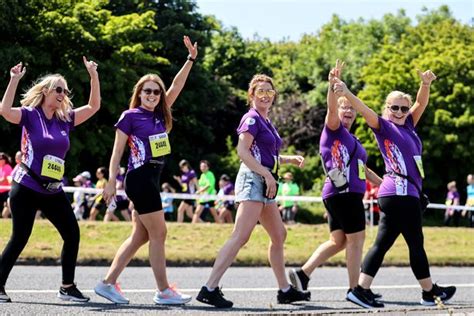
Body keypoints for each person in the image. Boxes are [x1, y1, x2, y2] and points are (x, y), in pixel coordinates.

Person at [332, 68, 456, 307]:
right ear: (386, 109)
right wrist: (346, 91)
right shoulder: (384, 127)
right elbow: (364, 110)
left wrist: (426, 83)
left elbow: (420, 102)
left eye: (402, 108)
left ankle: (362, 289)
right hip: (398, 193)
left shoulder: (408, 125)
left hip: (402, 194)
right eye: (394, 107)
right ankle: (428, 292)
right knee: (414, 242)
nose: (399, 112)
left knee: (384, 244)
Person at [94, 35, 197, 305]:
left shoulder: (160, 115)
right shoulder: (130, 117)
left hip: (152, 178)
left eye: (155, 91)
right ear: (139, 93)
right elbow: (117, 152)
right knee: (160, 233)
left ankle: (107, 283)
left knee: (141, 235)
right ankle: (164, 291)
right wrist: (110, 183)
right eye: (147, 91)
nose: (152, 95)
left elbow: (176, 86)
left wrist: (190, 59)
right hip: (139, 179)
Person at [196, 74, 310, 308]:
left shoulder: (267, 121)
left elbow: (266, 155)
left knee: (279, 235)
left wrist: (288, 160)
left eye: (270, 91)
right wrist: (267, 174)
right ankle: (209, 288)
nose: (266, 95)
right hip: (253, 180)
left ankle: (284, 290)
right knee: (241, 235)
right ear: (252, 95)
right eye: (261, 91)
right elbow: (242, 151)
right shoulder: (251, 118)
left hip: (265, 182)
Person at [0, 57, 100, 303]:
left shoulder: (65, 119)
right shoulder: (30, 115)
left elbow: (94, 106)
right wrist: (14, 80)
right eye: (58, 89)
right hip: (26, 186)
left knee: (72, 233)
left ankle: (67, 287)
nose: (62, 93)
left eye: (65, 91)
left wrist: (93, 76)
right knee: (20, 237)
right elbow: (4, 111)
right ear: (45, 91)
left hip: (52, 190)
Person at [288, 61, 382, 307]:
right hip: (344, 193)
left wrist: (382, 183)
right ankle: (355, 290)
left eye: (352, 108)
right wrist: (333, 86)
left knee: (338, 241)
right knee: (357, 240)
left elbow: (362, 169)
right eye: (344, 107)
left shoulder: (353, 139)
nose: (348, 111)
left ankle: (302, 274)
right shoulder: (333, 129)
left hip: (340, 193)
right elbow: (330, 109)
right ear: (338, 111)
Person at [0, 153, 13, 218]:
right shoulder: (0, 168)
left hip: (6, 192)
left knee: (5, 211)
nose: (0, 160)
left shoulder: (7, 167)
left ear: (5, 160)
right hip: (1, 192)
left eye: (1, 159)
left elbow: (5, 178)